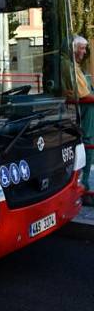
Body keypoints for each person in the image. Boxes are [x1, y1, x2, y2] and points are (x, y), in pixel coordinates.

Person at [70, 36, 94, 205]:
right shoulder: (71, 67)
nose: (84, 52)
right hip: (85, 116)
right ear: (74, 48)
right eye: (82, 48)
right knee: (87, 145)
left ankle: (84, 187)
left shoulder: (76, 67)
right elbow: (84, 94)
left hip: (87, 115)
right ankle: (83, 187)